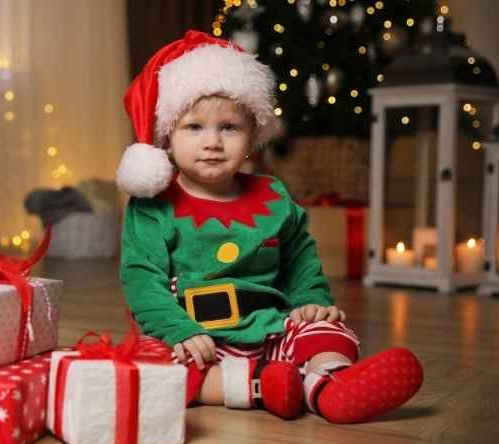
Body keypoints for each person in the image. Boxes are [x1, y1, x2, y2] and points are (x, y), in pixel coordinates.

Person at [117, 30, 422, 423]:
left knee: (326, 332)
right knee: (149, 363)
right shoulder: (153, 206)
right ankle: (261, 385)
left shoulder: (274, 197)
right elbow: (143, 280)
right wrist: (178, 330)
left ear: (253, 137)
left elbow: (300, 261)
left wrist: (310, 304)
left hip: (272, 329)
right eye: (194, 128)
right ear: (167, 138)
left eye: (229, 128)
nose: (212, 142)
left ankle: (328, 384)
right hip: (194, 339)